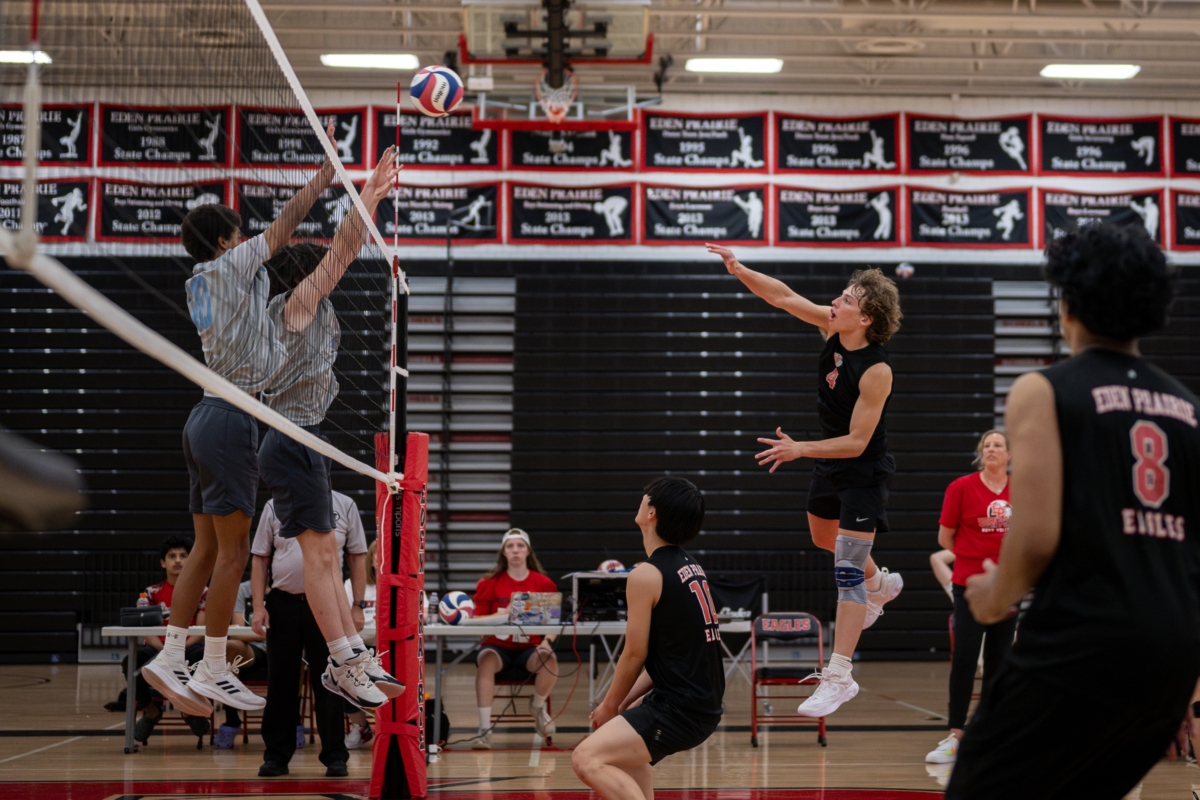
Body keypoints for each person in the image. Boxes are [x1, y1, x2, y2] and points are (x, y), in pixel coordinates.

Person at [950, 223, 1200, 799]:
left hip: (1084, 643)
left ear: (1067, 304)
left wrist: (993, 595)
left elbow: (1035, 537)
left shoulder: (1044, 389)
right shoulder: (1189, 410)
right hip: (1170, 656)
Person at [143, 122, 340, 718]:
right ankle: (211, 665)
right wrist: (324, 178)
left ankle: (172, 653)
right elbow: (284, 226)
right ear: (229, 241)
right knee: (229, 554)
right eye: (240, 234)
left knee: (204, 549)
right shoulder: (232, 267)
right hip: (230, 418)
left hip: (203, 415)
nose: (249, 238)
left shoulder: (201, 279)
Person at [706, 244, 904, 717]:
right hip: (829, 461)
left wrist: (799, 449)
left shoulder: (876, 370)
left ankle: (839, 674)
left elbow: (857, 442)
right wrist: (739, 269)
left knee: (845, 570)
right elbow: (782, 296)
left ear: (866, 319)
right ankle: (880, 584)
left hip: (861, 470)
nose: (836, 302)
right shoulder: (833, 329)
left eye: (847, 300)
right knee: (823, 537)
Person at [256, 146, 403, 711]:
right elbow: (342, 251)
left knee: (330, 561)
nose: (328, 276)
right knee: (320, 559)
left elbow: (336, 259)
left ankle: (353, 656)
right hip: (290, 436)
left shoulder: (311, 313)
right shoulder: (295, 307)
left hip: (303, 439)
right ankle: (341, 664)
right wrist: (366, 197)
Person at [572, 478, 723, 799]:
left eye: (645, 497)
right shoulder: (691, 566)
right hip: (696, 702)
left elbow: (634, 653)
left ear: (652, 512)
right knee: (622, 755)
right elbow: (667, 657)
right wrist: (623, 705)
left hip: (682, 710)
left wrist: (609, 704)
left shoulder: (645, 575)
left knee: (586, 758)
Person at [251, 491, 368, 777]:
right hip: (283, 604)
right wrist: (257, 606)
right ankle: (277, 756)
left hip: (328, 604)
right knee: (281, 682)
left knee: (329, 680)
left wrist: (357, 605)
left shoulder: (344, 504)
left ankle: (335, 756)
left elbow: (357, 557)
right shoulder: (274, 504)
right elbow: (260, 558)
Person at [925, 430, 1016, 765]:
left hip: (1007, 587)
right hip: (968, 585)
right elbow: (945, 537)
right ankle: (955, 736)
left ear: (1009, 455)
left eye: (998, 445)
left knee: (999, 660)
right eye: (987, 446)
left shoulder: (1019, 489)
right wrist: (973, 555)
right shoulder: (961, 487)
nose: (991, 449)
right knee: (964, 657)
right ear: (982, 454)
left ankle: (992, 733)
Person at [107, 535, 209, 744]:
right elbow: (146, 630)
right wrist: (166, 651)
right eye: (172, 556)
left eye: (183, 556)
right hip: (158, 648)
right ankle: (151, 710)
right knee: (131, 662)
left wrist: (177, 650)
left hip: (188, 648)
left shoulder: (202, 591)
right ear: (163, 562)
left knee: (201, 656)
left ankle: (188, 709)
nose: (178, 560)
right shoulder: (150, 593)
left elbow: (200, 630)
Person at [470, 528, 560, 749]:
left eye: (520, 545)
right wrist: (504, 614)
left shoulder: (543, 583)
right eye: (510, 546)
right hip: (497, 647)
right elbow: (477, 621)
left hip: (529, 647)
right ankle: (484, 730)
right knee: (486, 660)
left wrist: (547, 641)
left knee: (549, 658)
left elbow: (553, 623)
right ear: (504, 552)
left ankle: (537, 707)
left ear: (528, 551)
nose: (515, 550)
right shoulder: (489, 583)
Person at [344, 539, 378, 750]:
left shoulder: (408, 584)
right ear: (371, 560)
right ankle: (361, 725)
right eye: (378, 555)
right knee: (339, 669)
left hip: (395, 649)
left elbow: (424, 617)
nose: (382, 560)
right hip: (361, 646)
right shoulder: (353, 585)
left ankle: (398, 726)